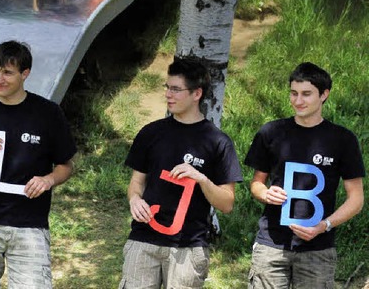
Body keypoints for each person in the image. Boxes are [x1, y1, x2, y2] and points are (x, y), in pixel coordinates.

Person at [0, 40, 77, 289]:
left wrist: (48, 179)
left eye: (7, 72)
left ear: (25, 74)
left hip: (29, 222)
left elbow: (66, 165)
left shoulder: (48, 113)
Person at [119, 57, 242, 289]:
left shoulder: (218, 142)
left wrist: (202, 179)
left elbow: (227, 204)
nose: (168, 94)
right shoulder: (150, 133)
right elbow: (137, 182)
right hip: (144, 239)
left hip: (188, 247)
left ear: (197, 93)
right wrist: (134, 199)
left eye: (176, 89)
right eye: (167, 87)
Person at [244, 62, 365, 288]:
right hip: (271, 245)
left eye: (306, 94)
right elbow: (256, 184)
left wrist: (324, 225)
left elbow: (356, 199)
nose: (298, 101)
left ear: (324, 95)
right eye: (293, 93)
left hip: (318, 249)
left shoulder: (342, 139)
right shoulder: (270, 132)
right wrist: (266, 194)